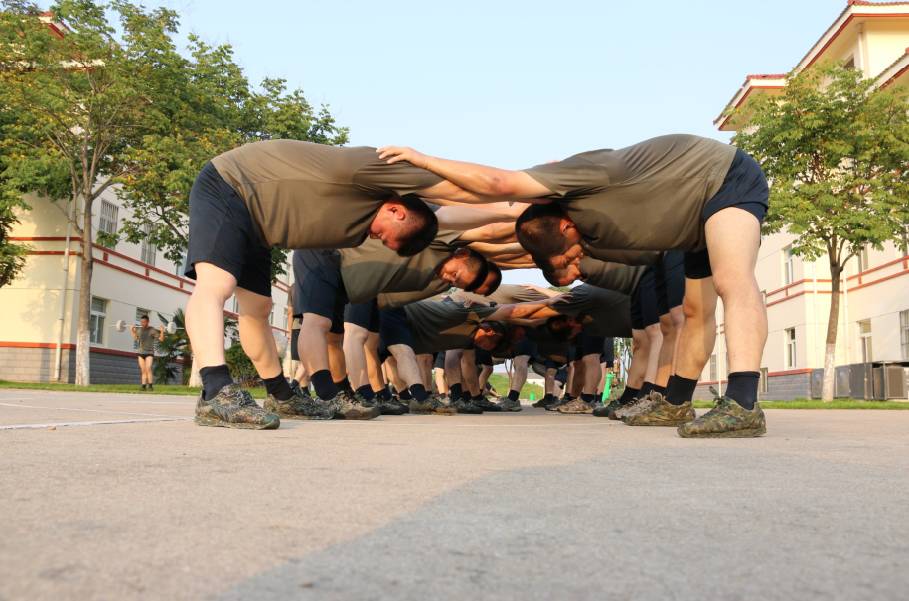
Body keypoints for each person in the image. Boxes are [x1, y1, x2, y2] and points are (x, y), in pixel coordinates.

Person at [378, 135, 769, 437]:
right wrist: (428, 200)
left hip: (722, 178)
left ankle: (743, 402)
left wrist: (423, 160)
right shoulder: (570, 217)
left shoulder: (578, 177)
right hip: (688, 225)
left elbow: (496, 184)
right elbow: (481, 205)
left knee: (732, 280)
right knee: (695, 312)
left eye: (570, 255)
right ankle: (676, 403)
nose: (578, 259)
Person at [186, 139, 461, 429]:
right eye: (384, 236)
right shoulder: (364, 172)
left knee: (258, 307)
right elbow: (462, 193)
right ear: (396, 210)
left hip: (258, 220)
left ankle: (281, 395)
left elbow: (450, 211)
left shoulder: (360, 212)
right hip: (227, 184)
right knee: (216, 283)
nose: (377, 238)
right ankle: (214, 391)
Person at [131, 315, 164, 391]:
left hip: (149, 353)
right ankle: (143, 386)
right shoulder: (139, 330)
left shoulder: (152, 330)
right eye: (141, 322)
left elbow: (161, 339)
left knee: (148, 368)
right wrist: (132, 330)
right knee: (143, 370)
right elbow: (135, 338)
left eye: (144, 322)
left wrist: (162, 331)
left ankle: (150, 386)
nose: (142, 323)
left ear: (148, 322)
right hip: (141, 352)